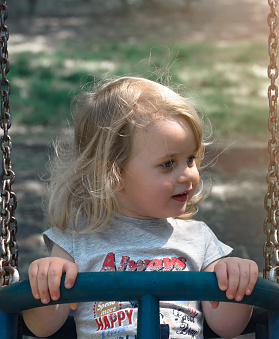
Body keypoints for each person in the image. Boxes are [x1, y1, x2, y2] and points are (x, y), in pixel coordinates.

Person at [22, 76, 258, 339]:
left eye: (190, 159)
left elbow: (228, 326)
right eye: (168, 164)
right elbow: (42, 327)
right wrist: (45, 281)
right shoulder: (77, 240)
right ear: (113, 175)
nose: (187, 175)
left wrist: (236, 280)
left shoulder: (199, 239)